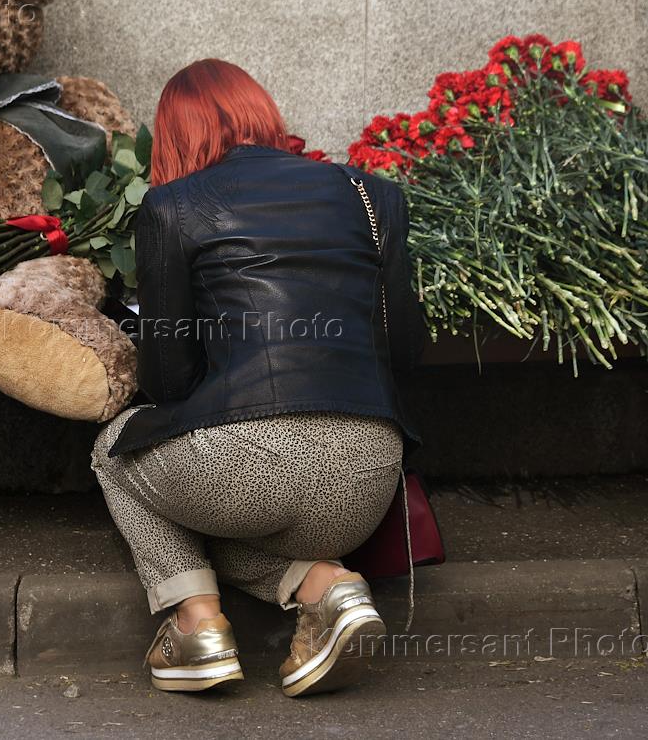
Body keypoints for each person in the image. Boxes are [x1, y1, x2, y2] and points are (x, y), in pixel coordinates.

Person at [90, 58, 424, 697]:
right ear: (263, 114)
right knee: (220, 532)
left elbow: (167, 380)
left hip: (240, 468)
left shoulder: (172, 205)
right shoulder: (372, 196)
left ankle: (198, 626)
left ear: (175, 135)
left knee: (114, 450)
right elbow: (405, 348)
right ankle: (328, 587)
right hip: (366, 482)